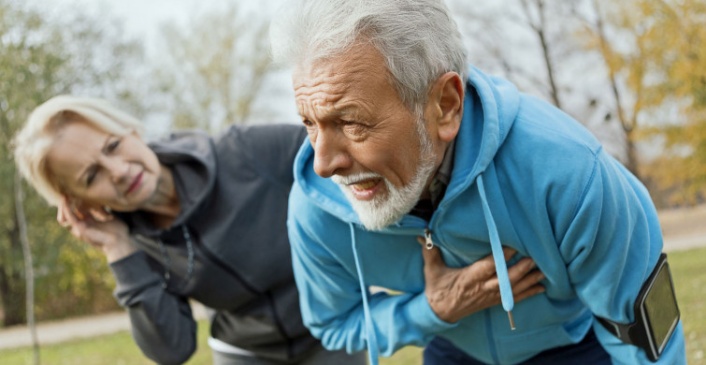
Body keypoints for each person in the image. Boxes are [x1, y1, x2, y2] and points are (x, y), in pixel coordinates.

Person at [269, 0, 687, 364]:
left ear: (445, 105)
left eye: (352, 122)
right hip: (453, 353)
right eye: (309, 123)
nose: (323, 164)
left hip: (577, 349)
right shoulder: (315, 206)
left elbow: (642, 332)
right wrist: (432, 310)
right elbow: (335, 325)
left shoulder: (569, 172)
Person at [13, 95, 367, 365]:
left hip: (332, 333)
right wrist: (119, 250)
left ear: (131, 131)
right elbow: (173, 348)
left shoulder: (246, 152)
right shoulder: (136, 245)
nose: (118, 171)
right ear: (80, 203)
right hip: (244, 353)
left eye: (113, 146)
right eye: (92, 176)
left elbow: (351, 167)